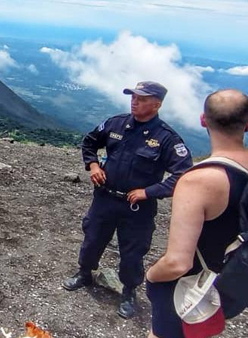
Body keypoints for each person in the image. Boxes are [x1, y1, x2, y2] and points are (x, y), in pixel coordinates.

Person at [122, 89, 248, 338]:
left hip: (193, 287)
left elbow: (178, 261)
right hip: (238, 279)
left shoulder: (201, 180)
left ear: (203, 121)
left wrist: (152, 276)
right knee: (165, 327)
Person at [62, 81, 193, 319]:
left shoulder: (166, 138)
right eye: (133, 97)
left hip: (137, 208)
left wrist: (150, 192)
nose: (134, 101)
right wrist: (92, 165)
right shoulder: (116, 123)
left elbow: (183, 174)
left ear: (156, 104)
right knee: (93, 238)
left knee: (132, 252)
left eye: (141, 99)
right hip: (105, 197)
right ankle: (84, 273)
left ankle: (129, 291)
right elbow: (90, 141)